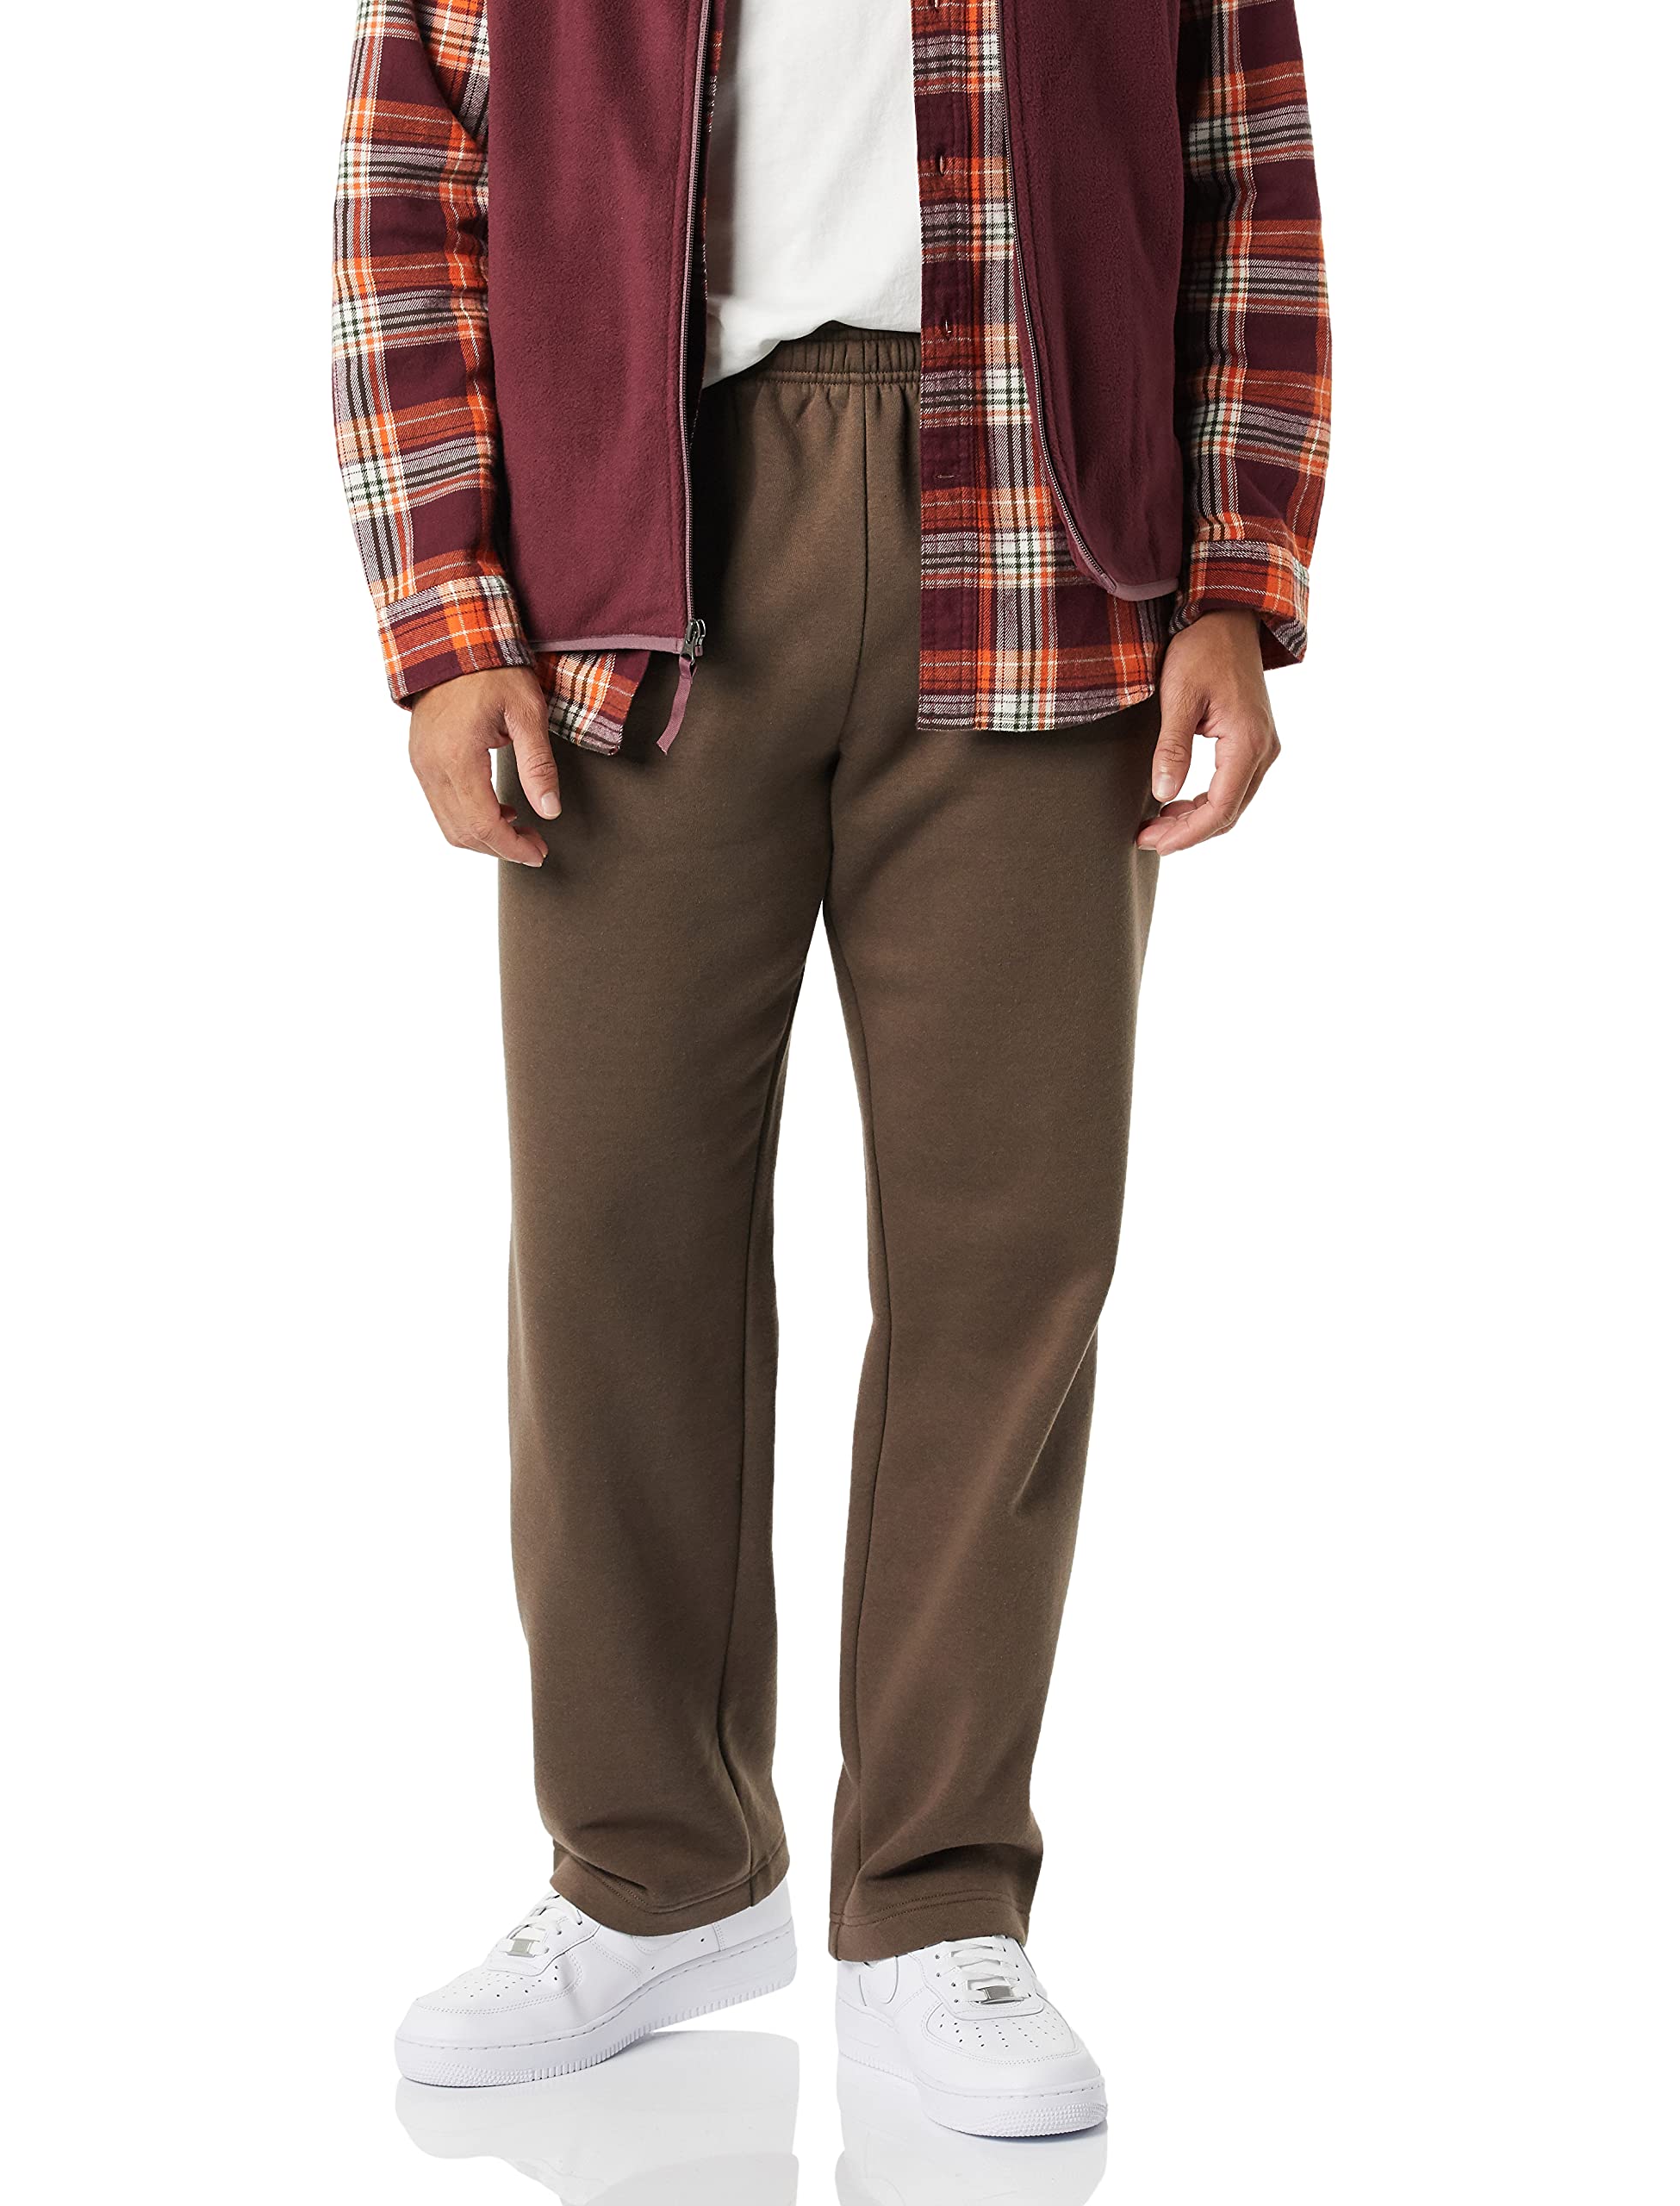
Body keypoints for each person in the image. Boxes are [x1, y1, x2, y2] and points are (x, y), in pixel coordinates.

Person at [333, 0, 1328, 2139]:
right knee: (613, 1244)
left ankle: (935, 1895)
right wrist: (445, 615)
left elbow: (1246, 169)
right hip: (631, 549)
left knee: (1008, 1255)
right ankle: (653, 1867)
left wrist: (1238, 581)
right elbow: (412, 184)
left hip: (1046, 545)